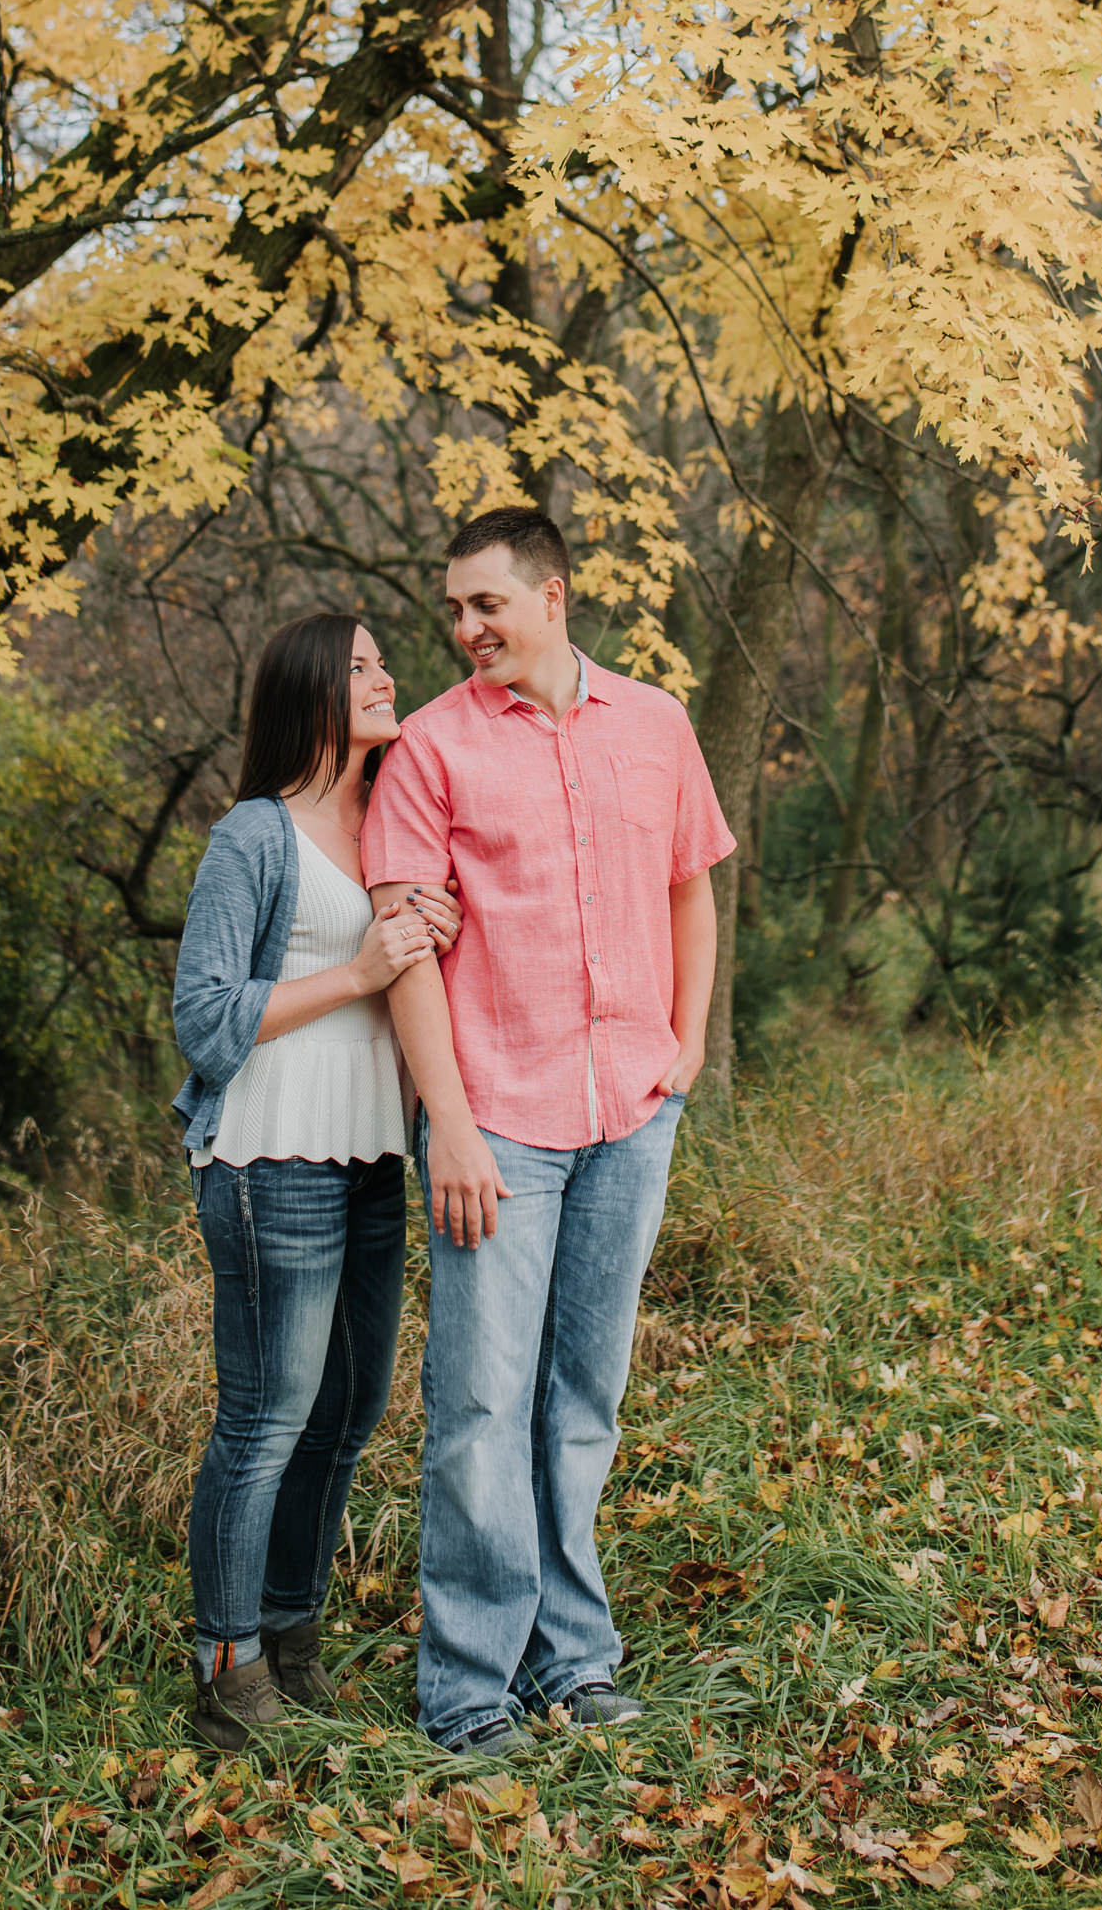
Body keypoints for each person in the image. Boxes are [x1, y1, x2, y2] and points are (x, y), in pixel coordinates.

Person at [363, 507, 734, 1754]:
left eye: (485, 606)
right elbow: (408, 956)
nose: (464, 630)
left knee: (583, 1397)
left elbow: (691, 888)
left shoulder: (658, 727)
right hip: (498, 1128)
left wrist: (680, 1049)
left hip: (630, 1111)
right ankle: (466, 1687)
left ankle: (569, 1662)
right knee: (477, 1405)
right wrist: (450, 1129)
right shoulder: (426, 752)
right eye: (453, 611)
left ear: (553, 595)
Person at [171, 611, 462, 1755]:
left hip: (368, 1156)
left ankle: (292, 1634)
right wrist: (356, 969)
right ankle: (225, 1666)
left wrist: (432, 928)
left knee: (345, 1416)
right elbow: (202, 1019)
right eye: (360, 666)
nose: (387, 676)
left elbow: (408, 973)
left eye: (385, 660)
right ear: (309, 692)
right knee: (265, 1420)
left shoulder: (393, 816)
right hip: (267, 1155)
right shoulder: (256, 835)